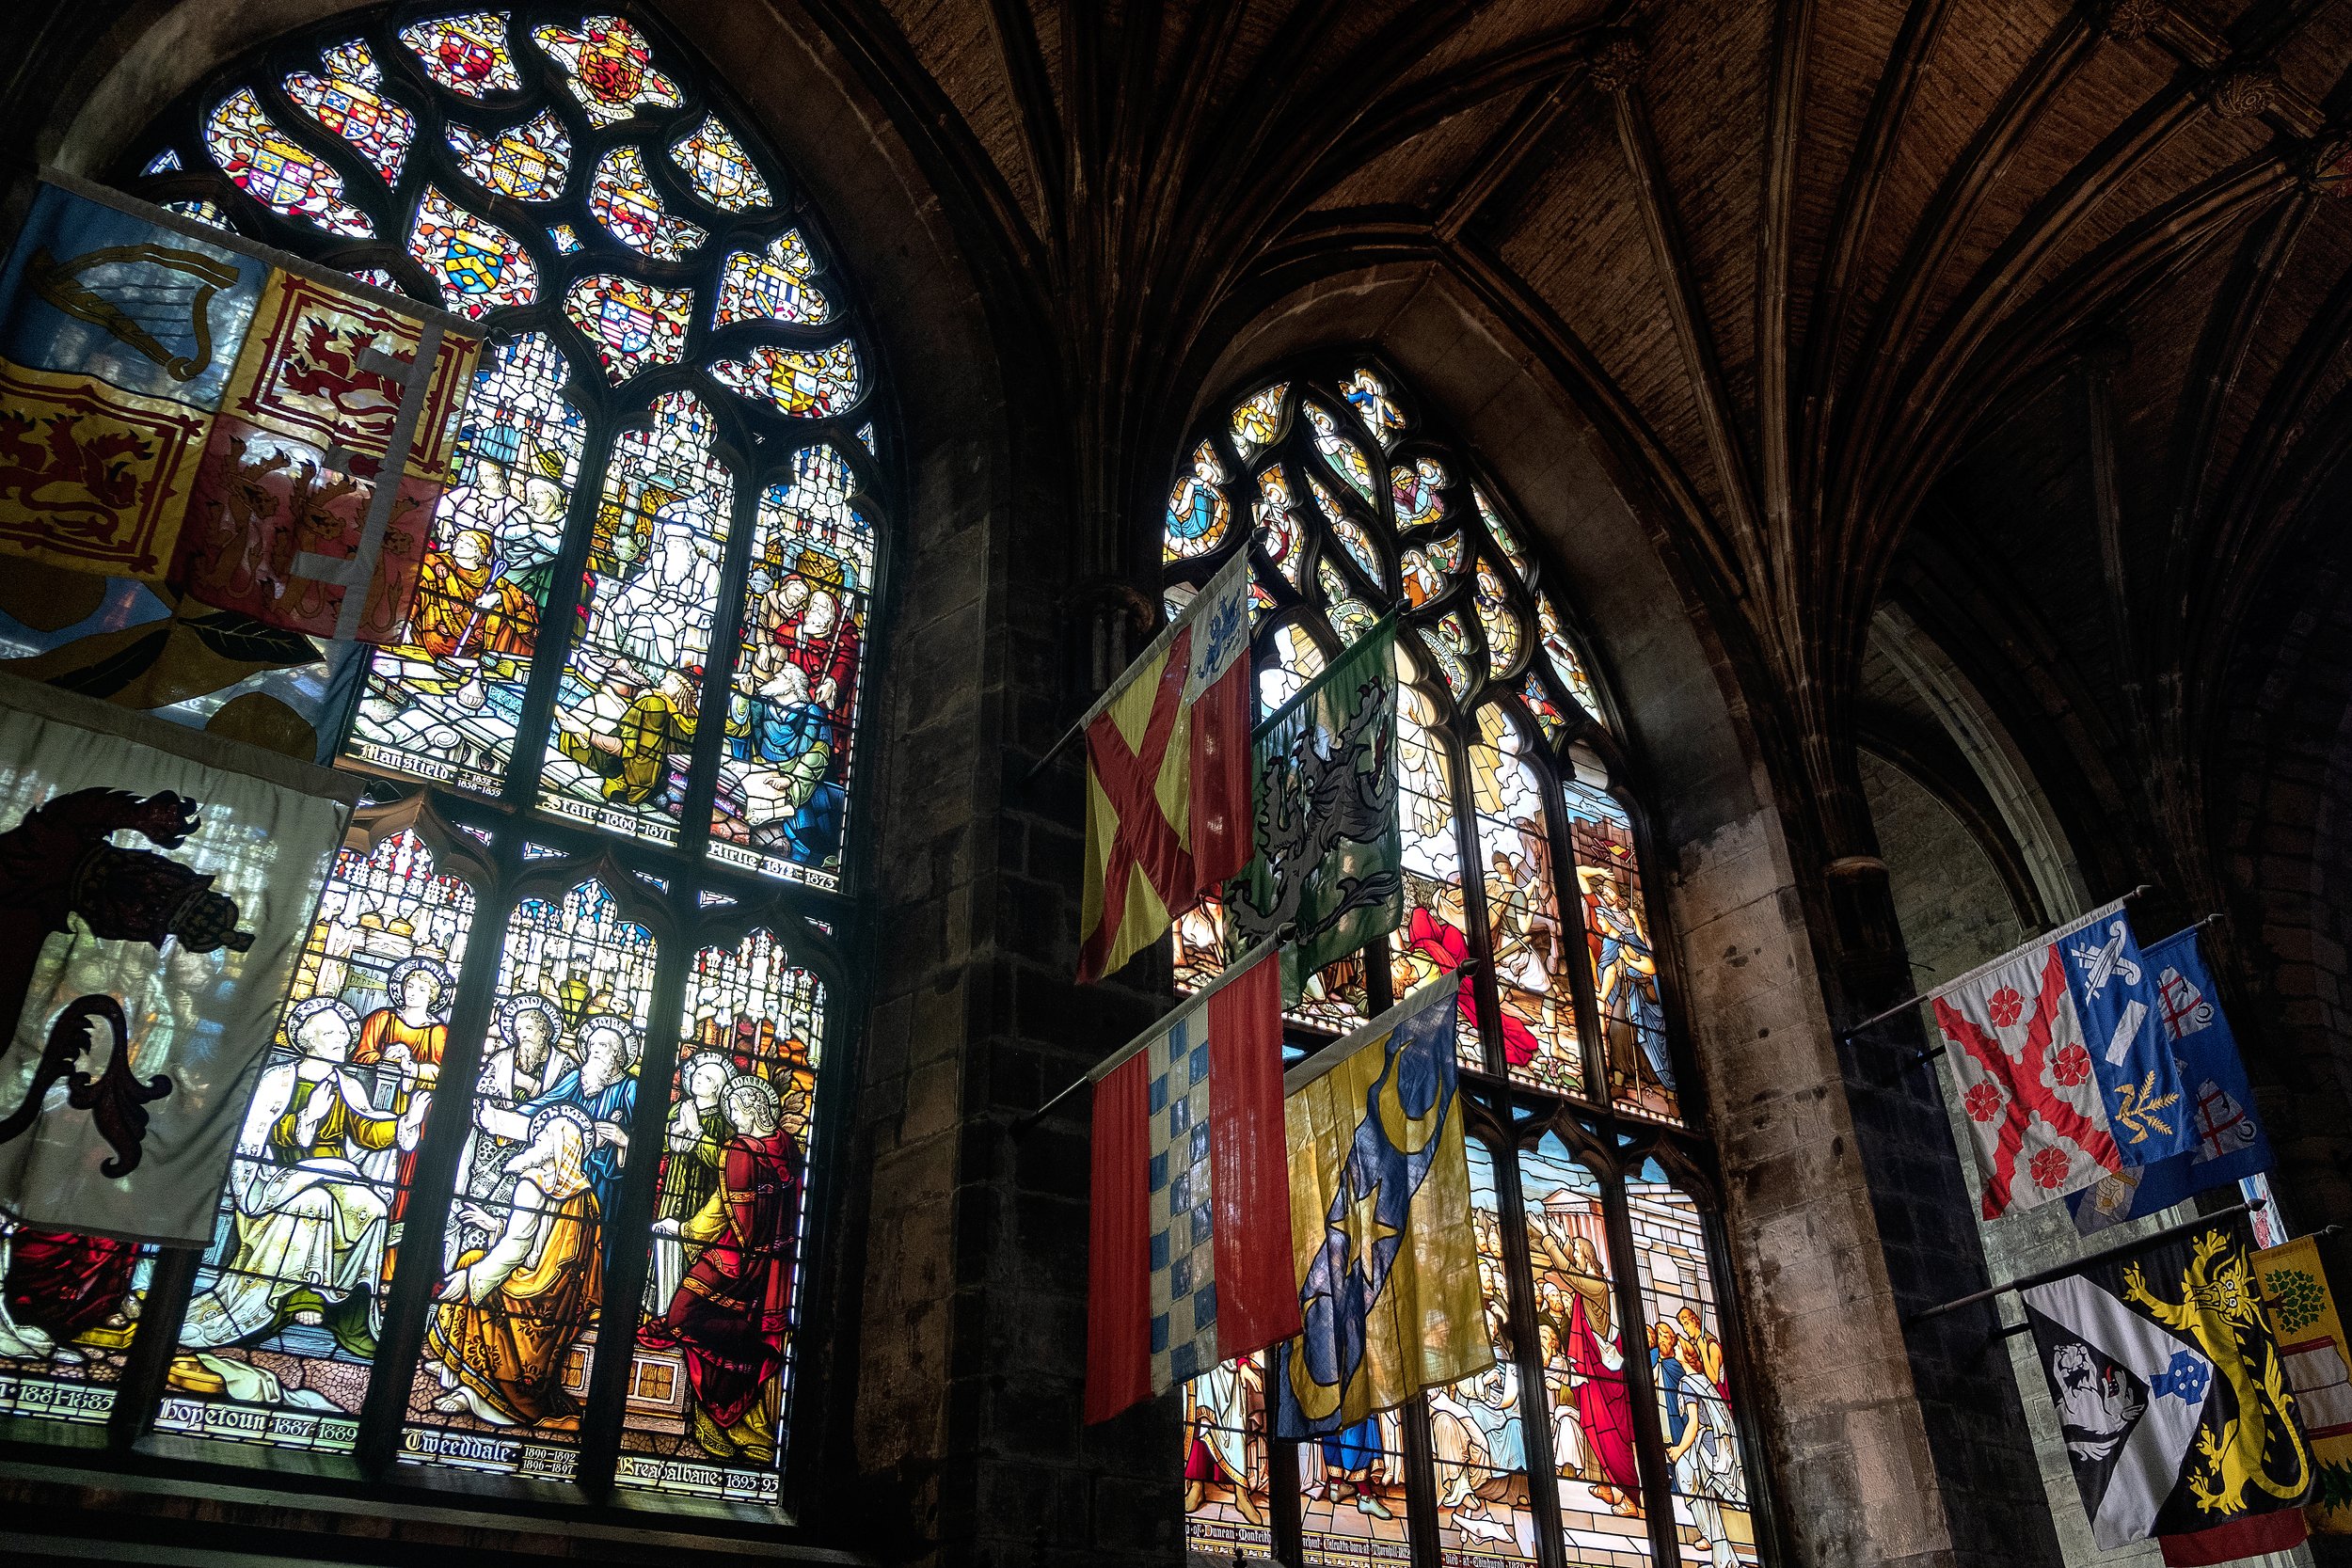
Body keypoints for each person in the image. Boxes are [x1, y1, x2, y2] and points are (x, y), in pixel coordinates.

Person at [180, 998, 425, 1352]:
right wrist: (307, 1118)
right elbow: (260, 1134)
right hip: (278, 1176)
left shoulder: (348, 1085)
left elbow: (367, 1130)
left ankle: (348, 1307)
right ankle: (301, 1298)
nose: (342, 1040)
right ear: (307, 1040)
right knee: (315, 1201)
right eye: (331, 1033)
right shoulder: (278, 1080)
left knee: (373, 1206)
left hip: (336, 1172)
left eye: (344, 1034)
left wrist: (404, 1123)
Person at [642, 1075, 804, 1462]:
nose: (733, 1119)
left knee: (683, 1311)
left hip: (740, 1261)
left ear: (750, 1109)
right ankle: (746, 1412)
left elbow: (724, 1211)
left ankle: (718, 1413)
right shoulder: (787, 1144)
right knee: (747, 1328)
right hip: (777, 1268)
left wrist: (682, 1229)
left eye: (734, 1112)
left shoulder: (740, 1149)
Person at [422, 1106, 602, 1428]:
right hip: (561, 1296)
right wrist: (494, 1225)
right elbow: (544, 1243)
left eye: (546, 1135)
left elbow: (519, 1248)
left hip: (533, 1290)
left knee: (471, 1265)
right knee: (480, 1270)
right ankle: (455, 1368)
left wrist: (470, 1278)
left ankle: (472, 1388)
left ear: (559, 1147)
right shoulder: (585, 1193)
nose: (537, 1139)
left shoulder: (533, 1183)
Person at [648, 1052, 734, 1311]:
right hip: (674, 1185)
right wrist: (672, 1135)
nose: (698, 1079)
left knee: (687, 1246)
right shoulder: (678, 1109)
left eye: (706, 1078)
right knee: (662, 1236)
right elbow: (658, 1145)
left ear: (717, 1088)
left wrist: (697, 1133)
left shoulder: (723, 1120)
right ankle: (658, 1304)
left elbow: (724, 1161)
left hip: (701, 1191)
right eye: (697, 1074)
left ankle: (680, 1307)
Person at [1582, 864, 1673, 1098]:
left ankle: (1668, 1091)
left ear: (1618, 894)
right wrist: (1600, 873)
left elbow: (1644, 948)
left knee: (1653, 1033)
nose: (1606, 894)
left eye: (1609, 891)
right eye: (1603, 891)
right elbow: (1580, 876)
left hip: (1642, 988)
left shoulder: (1629, 922)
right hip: (1623, 987)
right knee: (1618, 1029)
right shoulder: (1605, 918)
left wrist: (1630, 957)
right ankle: (1619, 1083)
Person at [554, 665, 699, 807]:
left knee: (591, 711)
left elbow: (628, 750)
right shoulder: (684, 722)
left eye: (671, 681)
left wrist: (585, 732)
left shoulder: (654, 704)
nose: (662, 681)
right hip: (652, 778)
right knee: (600, 704)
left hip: (623, 774)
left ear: (681, 692)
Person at [1183, 1358, 1264, 1526]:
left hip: (1232, 1368)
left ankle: (1241, 1495)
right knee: (1203, 1421)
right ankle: (1197, 1486)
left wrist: (1242, 1364)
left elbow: (1243, 1333)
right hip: (1204, 1365)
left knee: (1236, 1428)